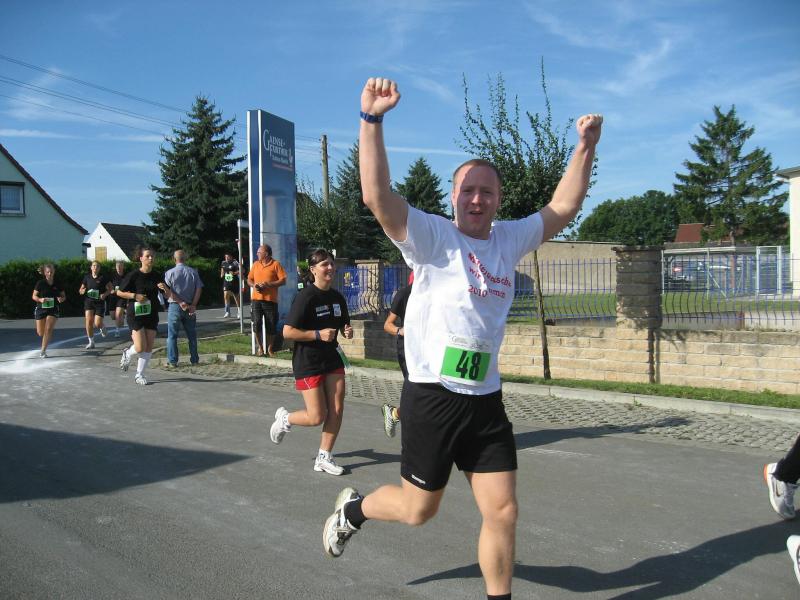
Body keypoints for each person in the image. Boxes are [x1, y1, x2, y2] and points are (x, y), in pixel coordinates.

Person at [322, 77, 602, 600]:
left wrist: (584, 147)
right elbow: (377, 197)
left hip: (485, 400)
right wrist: (371, 120)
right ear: (453, 197)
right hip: (432, 396)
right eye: (468, 190)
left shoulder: (509, 238)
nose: (477, 199)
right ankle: (354, 511)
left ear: (498, 200)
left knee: (504, 511)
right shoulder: (434, 237)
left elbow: (563, 207)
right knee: (417, 511)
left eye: (487, 192)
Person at [270, 249, 354, 475]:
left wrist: (347, 331)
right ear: (313, 270)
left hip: (332, 359)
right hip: (308, 362)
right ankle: (285, 418)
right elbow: (287, 332)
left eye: (332, 264)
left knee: (336, 409)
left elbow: (344, 326)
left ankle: (324, 457)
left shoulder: (337, 297)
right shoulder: (305, 297)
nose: (330, 268)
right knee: (317, 416)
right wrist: (317, 334)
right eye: (324, 264)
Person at [118, 247, 170, 385]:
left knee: (149, 346)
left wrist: (165, 289)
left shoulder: (157, 275)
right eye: (148, 256)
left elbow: (168, 295)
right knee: (140, 347)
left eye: (152, 256)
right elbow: (119, 292)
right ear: (141, 258)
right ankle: (128, 353)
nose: (151, 258)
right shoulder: (133, 275)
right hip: (136, 314)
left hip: (151, 313)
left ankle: (139, 375)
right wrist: (135, 296)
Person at [380, 272, 413, 438]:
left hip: (429, 349)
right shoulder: (404, 294)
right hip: (408, 349)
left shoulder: (438, 293)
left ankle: (394, 414)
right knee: (416, 391)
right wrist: (401, 331)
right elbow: (388, 324)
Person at [163, 250, 204, 367]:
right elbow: (199, 289)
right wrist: (194, 305)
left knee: (172, 335)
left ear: (174, 259)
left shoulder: (169, 273)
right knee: (192, 335)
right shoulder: (193, 272)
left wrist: (179, 302)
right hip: (190, 305)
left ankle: (172, 361)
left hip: (175, 306)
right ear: (185, 259)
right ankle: (194, 359)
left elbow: (167, 292)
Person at [247, 244, 287, 357]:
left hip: (270, 301)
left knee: (271, 325)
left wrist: (268, 284)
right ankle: (260, 348)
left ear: (266, 254)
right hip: (256, 300)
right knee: (256, 323)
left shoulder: (276, 264)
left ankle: (270, 349)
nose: (257, 254)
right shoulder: (256, 264)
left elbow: (283, 280)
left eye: (259, 252)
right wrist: (254, 285)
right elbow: (249, 279)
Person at [31, 263, 66, 358]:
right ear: (45, 273)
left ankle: (43, 351)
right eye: (48, 272)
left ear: (54, 272)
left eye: (51, 272)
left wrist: (61, 299)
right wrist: (40, 299)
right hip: (41, 308)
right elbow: (34, 296)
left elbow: (64, 296)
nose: (50, 274)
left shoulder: (58, 283)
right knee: (40, 333)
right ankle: (47, 337)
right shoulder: (40, 283)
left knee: (48, 329)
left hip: (53, 309)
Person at [79, 260, 112, 349]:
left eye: (97, 266)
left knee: (97, 323)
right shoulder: (87, 277)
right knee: (89, 321)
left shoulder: (103, 278)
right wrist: (82, 291)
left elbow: (111, 288)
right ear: (91, 267)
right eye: (93, 266)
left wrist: (104, 294)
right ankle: (91, 342)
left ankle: (102, 327)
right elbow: (81, 289)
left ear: (99, 268)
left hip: (99, 302)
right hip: (89, 301)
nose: (95, 268)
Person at [108, 260, 128, 337]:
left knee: (117, 314)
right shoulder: (112, 276)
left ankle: (117, 331)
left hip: (122, 297)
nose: (119, 268)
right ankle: (121, 315)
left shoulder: (126, 276)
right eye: (117, 266)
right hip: (113, 297)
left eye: (120, 266)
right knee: (113, 316)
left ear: (123, 267)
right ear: (115, 267)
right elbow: (107, 285)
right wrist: (110, 290)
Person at [221, 252, 241, 318]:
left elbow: (241, 270)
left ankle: (239, 311)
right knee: (225, 295)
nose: (226, 258)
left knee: (236, 297)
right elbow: (222, 269)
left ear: (231, 257)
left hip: (234, 282)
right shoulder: (223, 262)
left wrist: (234, 273)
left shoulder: (235, 263)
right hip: (226, 281)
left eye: (228, 257)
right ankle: (227, 312)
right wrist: (222, 274)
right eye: (225, 257)